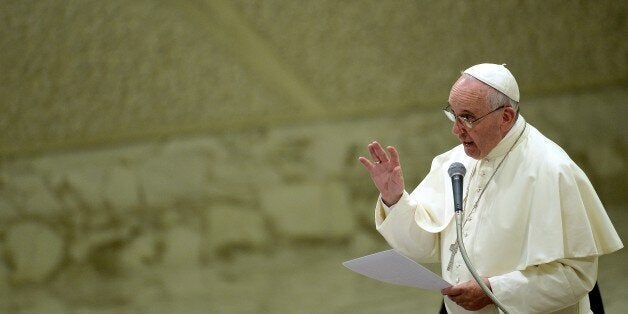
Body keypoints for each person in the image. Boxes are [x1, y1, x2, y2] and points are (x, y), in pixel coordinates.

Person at [358, 63, 623, 313]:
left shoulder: (552, 170)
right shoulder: (455, 162)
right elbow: (425, 246)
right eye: (453, 113)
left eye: (467, 117)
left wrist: (494, 290)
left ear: (505, 117)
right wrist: (394, 199)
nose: (455, 130)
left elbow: (577, 276)